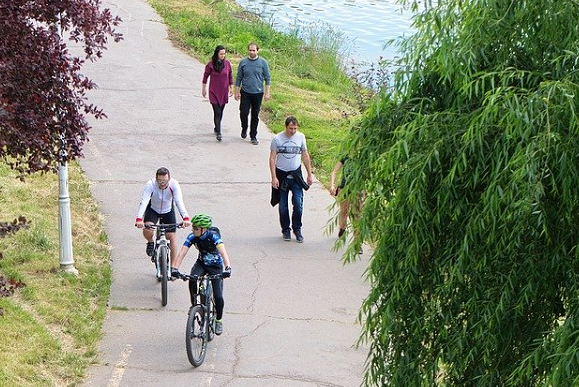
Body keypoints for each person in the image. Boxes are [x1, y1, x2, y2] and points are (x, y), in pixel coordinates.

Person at [171, 214, 232, 335]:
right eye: (193, 227)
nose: (193, 230)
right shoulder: (192, 236)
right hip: (201, 264)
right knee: (192, 279)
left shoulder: (213, 237)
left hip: (215, 267)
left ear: (204, 230)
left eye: (196, 228)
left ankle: (218, 320)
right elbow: (182, 253)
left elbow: (223, 253)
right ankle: (194, 306)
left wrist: (228, 268)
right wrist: (174, 268)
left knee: (218, 297)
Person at [134, 167, 191, 272]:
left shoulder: (174, 185)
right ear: (156, 180)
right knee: (148, 229)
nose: (162, 184)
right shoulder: (150, 184)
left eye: (165, 181)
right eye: (160, 181)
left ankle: (174, 268)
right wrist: (139, 219)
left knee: (172, 237)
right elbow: (144, 201)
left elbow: (179, 201)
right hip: (153, 210)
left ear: (169, 179)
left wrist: (185, 217)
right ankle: (150, 242)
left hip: (168, 210)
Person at [269, 116, 313, 242]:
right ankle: (285, 230)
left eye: (294, 128)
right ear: (285, 127)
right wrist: (274, 177)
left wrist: (309, 174)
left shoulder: (301, 137)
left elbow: (305, 155)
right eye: (290, 128)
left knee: (298, 203)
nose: (292, 131)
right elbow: (272, 158)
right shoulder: (277, 139)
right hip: (281, 175)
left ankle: (297, 229)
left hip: (296, 176)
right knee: (283, 206)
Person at [234, 42, 271, 145]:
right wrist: (237, 92)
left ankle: (253, 135)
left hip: (258, 93)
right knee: (243, 112)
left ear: (257, 51)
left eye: (254, 50)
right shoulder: (243, 62)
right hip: (245, 92)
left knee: (255, 115)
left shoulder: (263, 63)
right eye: (250, 50)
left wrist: (267, 93)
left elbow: (267, 79)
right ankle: (244, 127)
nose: (252, 52)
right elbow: (238, 78)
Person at [330, 157, 364, 253]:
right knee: (344, 211)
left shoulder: (364, 158)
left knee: (356, 215)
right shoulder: (345, 158)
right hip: (344, 189)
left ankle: (357, 243)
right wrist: (332, 185)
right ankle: (342, 228)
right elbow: (334, 171)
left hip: (358, 190)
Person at [202, 45, 233, 142]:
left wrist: (231, 87)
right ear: (217, 54)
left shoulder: (227, 64)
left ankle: (216, 127)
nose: (223, 56)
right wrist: (204, 89)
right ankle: (219, 132)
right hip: (213, 91)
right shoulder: (210, 64)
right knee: (217, 111)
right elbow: (205, 76)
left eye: (224, 54)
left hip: (223, 91)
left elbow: (230, 75)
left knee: (221, 111)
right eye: (221, 54)